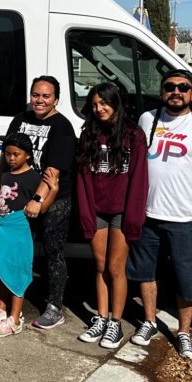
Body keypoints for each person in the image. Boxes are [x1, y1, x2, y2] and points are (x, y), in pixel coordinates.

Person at [127, 69, 192, 360]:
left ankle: (183, 332)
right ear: (162, 91)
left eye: (183, 87)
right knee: (146, 273)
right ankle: (148, 321)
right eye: (170, 86)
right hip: (147, 214)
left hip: (185, 218)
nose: (176, 91)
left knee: (187, 278)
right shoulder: (148, 119)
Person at [75, 82, 148, 350]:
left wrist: (133, 216)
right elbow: (82, 180)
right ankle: (101, 317)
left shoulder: (134, 136)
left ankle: (116, 322)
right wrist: (86, 212)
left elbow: (140, 179)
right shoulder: (88, 135)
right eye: (94, 104)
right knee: (100, 265)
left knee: (116, 268)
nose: (99, 109)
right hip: (96, 210)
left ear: (115, 103)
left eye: (104, 103)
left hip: (121, 211)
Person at [5, 76, 77, 329]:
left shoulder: (61, 126)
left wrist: (37, 200)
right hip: (20, 195)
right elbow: (7, 158)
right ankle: (6, 304)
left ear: (56, 99)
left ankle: (55, 306)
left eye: (46, 96)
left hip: (53, 199)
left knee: (53, 253)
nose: (40, 100)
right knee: (16, 249)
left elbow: (53, 172)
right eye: (36, 95)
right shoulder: (20, 119)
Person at [0, 133, 59, 338]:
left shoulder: (33, 178)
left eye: (16, 154)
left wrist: (54, 189)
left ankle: (14, 319)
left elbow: (41, 208)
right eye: (7, 154)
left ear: (28, 155)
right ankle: (1, 310)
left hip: (17, 233)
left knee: (16, 274)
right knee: (1, 271)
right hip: (1, 229)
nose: (11, 158)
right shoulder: (5, 175)